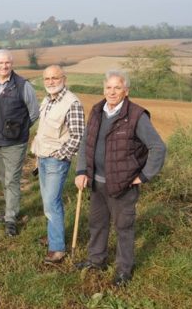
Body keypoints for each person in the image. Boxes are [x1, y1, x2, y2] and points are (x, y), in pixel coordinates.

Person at [74, 69, 166, 287]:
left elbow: (158, 147)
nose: (112, 92)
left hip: (123, 186)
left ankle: (124, 269)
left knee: (124, 228)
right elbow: (86, 143)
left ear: (126, 91)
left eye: (117, 88)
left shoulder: (136, 115)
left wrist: (144, 176)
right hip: (96, 182)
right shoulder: (97, 111)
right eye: (108, 87)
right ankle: (96, 260)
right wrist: (80, 171)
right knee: (97, 224)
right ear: (103, 89)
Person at [30, 65, 84, 264]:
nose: (51, 82)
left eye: (55, 78)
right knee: (48, 201)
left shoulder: (72, 103)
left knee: (52, 203)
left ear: (64, 79)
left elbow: (78, 136)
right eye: (47, 79)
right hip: (43, 158)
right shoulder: (48, 100)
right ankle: (54, 236)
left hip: (55, 160)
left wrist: (59, 155)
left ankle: (58, 249)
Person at [0, 49, 40, 236]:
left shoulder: (23, 85)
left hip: (15, 143)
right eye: (0, 63)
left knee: (12, 179)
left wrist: (20, 130)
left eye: (7, 62)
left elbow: (34, 112)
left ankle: (11, 218)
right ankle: (11, 209)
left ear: (12, 64)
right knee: (2, 177)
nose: (4, 66)